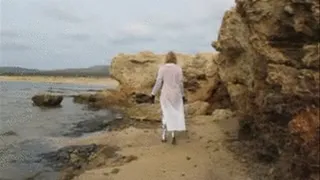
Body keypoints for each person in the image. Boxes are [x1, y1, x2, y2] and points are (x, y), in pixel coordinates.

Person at [150, 51, 187, 145]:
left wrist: (153, 93)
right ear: (175, 58)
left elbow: (158, 82)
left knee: (165, 114)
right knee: (174, 114)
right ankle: (173, 135)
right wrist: (183, 95)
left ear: (166, 58)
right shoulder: (178, 69)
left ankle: (163, 135)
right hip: (176, 94)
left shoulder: (162, 68)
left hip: (166, 94)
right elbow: (180, 83)